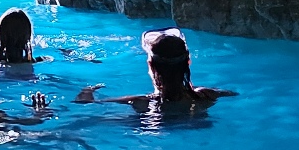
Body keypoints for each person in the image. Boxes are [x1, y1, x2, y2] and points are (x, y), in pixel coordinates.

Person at [74, 27, 236, 111]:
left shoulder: (139, 103)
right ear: (188, 63)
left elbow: (85, 106)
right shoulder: (208, 96)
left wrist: (87, 90)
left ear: (151, 66)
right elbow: (233, 94)